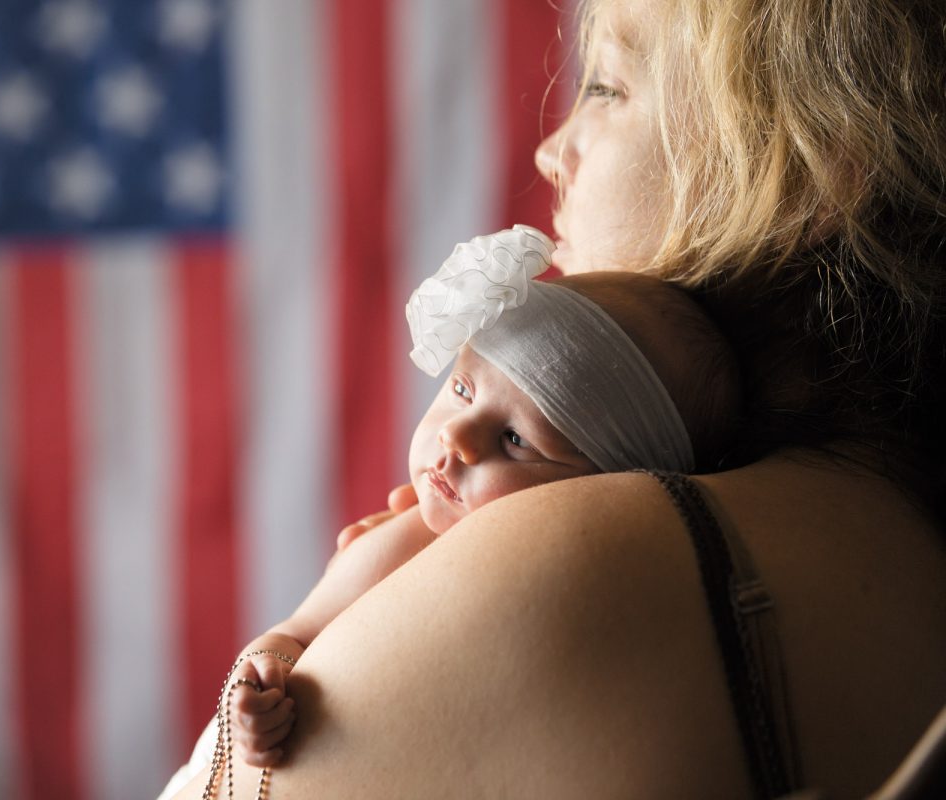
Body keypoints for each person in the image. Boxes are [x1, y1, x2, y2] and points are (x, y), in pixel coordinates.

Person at [171, 0, 946, 796]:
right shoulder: (908, 554)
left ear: (817, 160)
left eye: (608, 87)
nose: (550, 151)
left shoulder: (569, 554)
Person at [210, 224, 740, 772]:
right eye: (463, 389)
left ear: (597, 496)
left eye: (515, 441)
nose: (456, 437)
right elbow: (287, 637)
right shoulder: (406, 542)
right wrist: (259, 688)